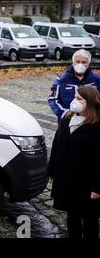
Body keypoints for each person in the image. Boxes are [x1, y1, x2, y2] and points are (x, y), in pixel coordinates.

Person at [48, 86, 100, 239]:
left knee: (90, 219)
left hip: (87, 183)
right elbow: (57, 146)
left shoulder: (97, 126)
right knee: (72, 217)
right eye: (74, 97)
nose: (74, 101)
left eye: (79, 99)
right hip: (67, 180)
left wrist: (97, 187)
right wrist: (52, 172)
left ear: (89, 103)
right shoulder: (67, 120)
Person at [48, 49, 100, 122]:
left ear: (88, 64)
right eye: (78, 62)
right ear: (73, 62)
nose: (80, 64)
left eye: (84, 62)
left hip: (91, 121)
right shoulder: (62, 79)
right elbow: (52, 99)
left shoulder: (97, 79)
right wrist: (64, 113)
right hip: (67, 120)